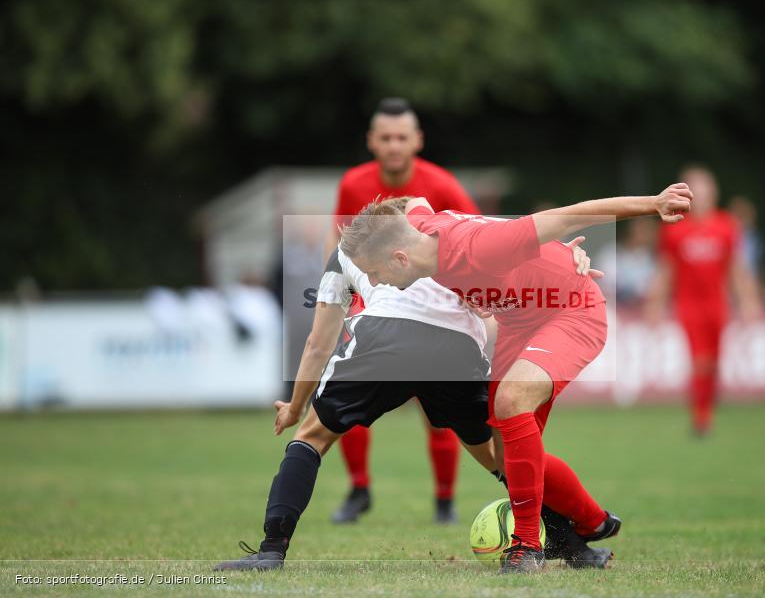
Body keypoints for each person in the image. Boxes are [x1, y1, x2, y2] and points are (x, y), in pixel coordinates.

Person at [214, 199, 613, 571]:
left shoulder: (343, 256)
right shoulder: (431, 231)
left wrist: (297, 405)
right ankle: (576, 547)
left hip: (386, 339)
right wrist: (565, 254)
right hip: (456, 348)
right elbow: (498, 234)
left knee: (312, 437)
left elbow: (319, 343)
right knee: (498, 457)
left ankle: (271, 550)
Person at [339, 184, 693, 572]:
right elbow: (412, 201)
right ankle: (594, 520)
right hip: (519, 323)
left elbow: (572, 214)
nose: (375, 282)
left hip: (571, 310)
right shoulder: (417, 228)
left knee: (511, 401)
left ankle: (527, 546)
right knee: (506, 459)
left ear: (399, 258)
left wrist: (654, 204)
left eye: (375, 273)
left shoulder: (480, 245)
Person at [323, 97, 481, 525]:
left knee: (438, 407)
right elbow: (339, 247)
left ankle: (445, 501)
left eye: (401, 137)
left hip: (430, 308)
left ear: (417, 141)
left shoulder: (443, 184)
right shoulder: (353, 183)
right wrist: (333, 296)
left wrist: (475, 294)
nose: (394, 145)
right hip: (372, 303)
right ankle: (359, 490)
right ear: (372, 141)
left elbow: (477, 239)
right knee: (350, 397)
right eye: (386, 137)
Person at [645, 166, 760, 436]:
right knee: (700, 360)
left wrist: (748, 299)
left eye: (704, 189)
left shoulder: (726, 226)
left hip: (717, 303)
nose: (700, 196)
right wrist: (655, 302)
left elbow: (737, 268)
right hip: (688, 305)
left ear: (714, 192)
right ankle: (701, 416)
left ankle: (706, 406)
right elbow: (666, 270)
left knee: (715, 361)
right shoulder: (674, 229)